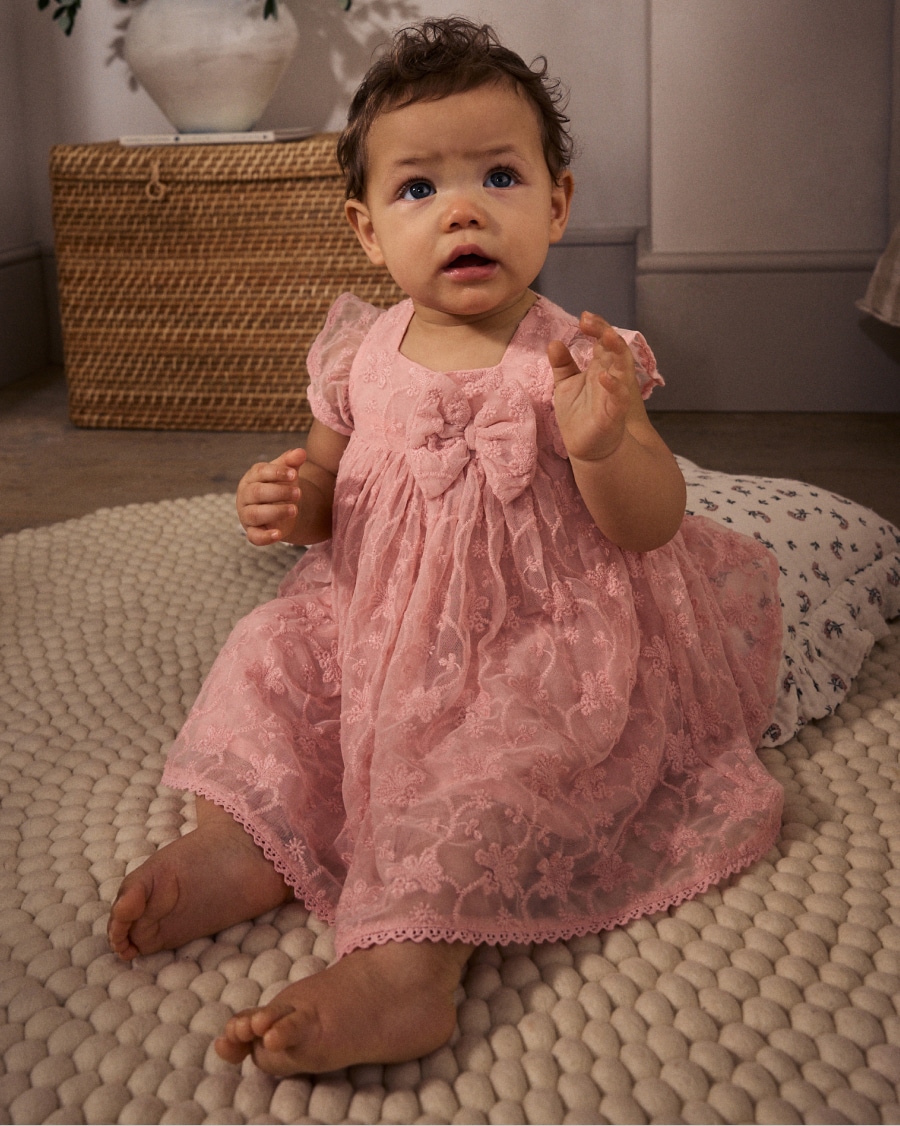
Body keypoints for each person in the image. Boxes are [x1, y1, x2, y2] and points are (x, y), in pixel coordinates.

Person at [107, 17, 784, 1076]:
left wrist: (606, 445)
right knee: (265, 656)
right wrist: (288, 499)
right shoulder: (358, 353)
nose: (462, 209)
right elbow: (330, 494)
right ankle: (243, 840)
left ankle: (408, 965)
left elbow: (650, 524)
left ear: (557, 203)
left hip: (533, 639)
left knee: (490, 772)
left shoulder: (579, 358)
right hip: (373, 621)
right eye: (419, 188)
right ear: (368, 230)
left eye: (500, 177)